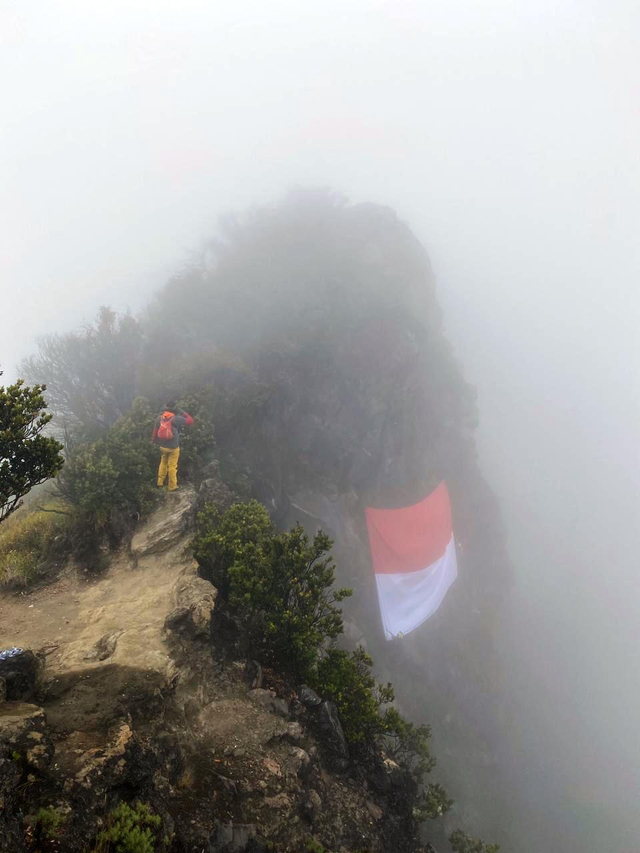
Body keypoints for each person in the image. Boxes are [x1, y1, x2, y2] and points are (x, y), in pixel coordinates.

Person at [151, 401, 193, 492]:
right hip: (173, 447)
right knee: (172, 466)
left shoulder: (159, 418)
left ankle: (160, 482)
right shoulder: (176, 419)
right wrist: (181, 411)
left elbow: (154, 433)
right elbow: (190, 420)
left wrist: (154, 442)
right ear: (175, 409)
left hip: (162, 446)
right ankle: (172, 486)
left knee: (163, 463)